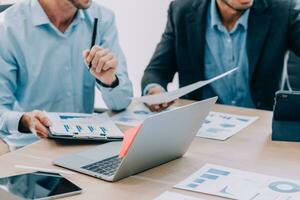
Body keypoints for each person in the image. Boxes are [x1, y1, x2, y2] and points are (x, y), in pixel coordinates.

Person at [0, 0, 133, 150]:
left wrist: (110, 81)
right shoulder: (7, 27)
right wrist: (24, 120)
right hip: (31, 151)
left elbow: (122, 101)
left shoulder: (102, 17)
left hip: (84, 146)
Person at [142, 0, 300, 112]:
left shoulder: (283, 8)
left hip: (263, 126)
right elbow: (156, 71)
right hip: (204, 126)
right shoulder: (182, 10)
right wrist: (155, 91)